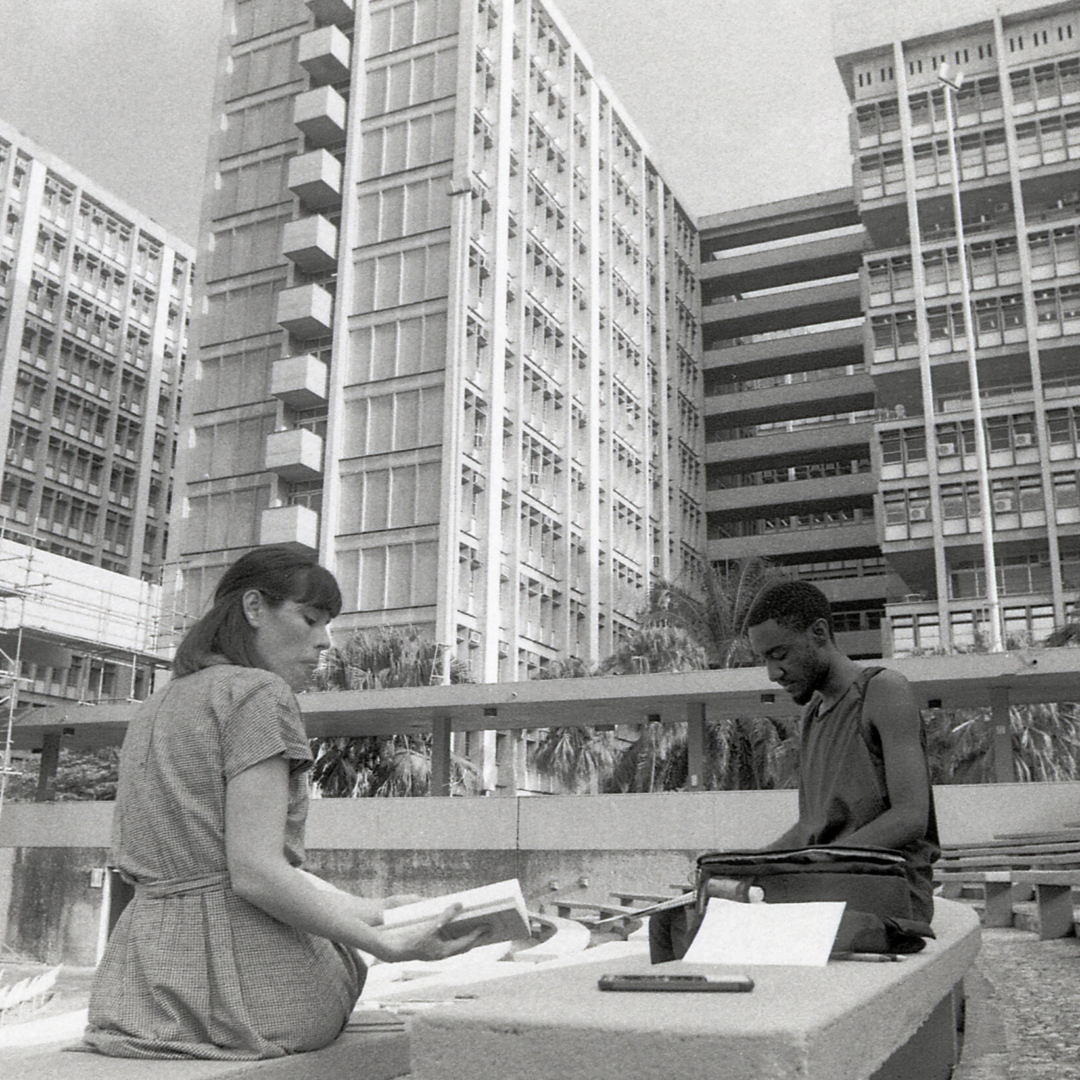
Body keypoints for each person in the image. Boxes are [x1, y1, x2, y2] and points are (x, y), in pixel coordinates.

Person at [82, 546, 487, 1060]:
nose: (324, 642)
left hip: (139, 990)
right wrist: (380, 944)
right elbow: (254, 872)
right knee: (340, 972)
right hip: (244, 995)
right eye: (310, 618)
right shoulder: (257, 694)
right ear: (254, 609)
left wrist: (379, 913)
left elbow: (221, 863)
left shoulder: (162, 701)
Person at [650, 579, 939, 962]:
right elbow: (809, 826)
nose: (773, 673)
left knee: (703, 931)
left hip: (884, 890)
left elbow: (910, 817)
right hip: (826, 880)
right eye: (765, 659)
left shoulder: (884, 691)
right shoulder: (811, 716)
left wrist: (819, 860)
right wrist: (754, 864)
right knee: (670, 919)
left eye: (779, 654)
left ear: (819, 633)